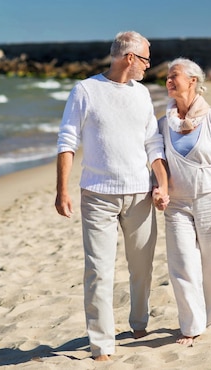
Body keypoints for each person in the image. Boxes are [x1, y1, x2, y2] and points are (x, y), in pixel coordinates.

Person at [55, 31, 169, 361]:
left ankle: (138, 322)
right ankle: (102, 345)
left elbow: (153, 144)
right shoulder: (85, 91)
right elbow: (67, 140)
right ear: (129, 58)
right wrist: (62, 189)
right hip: (98, 196)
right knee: (99, 272)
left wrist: (161, 183)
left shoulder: (142, 94)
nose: (149, 66)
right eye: (146, 59)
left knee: (141, 267)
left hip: (140, 194)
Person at [158, 58, 211, 346]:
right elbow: (158, 162)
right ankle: (191, 327)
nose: (168, 80)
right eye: (166, 76)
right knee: (182, 265)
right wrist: (159, 189)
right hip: (176, 206)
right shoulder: (163, 123)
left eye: (173, 76)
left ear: (192, 80)